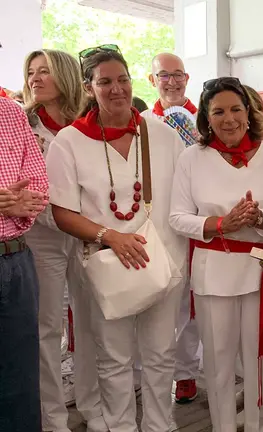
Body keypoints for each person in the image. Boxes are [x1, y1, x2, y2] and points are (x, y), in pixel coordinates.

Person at [46, 45, 187, 432]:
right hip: (108, 264)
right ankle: (121, 425)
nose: (117, 89)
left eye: (122, 79)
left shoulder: (161, 133)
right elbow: (62, 213)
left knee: (160, 354)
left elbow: (187, 194)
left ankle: (160, 424)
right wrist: (111, 237)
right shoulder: (69, 142)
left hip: (165, 261)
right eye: (105, 81)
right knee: (114, 357)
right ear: (89, 87)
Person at [169, 76, 263, 432]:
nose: (228, 118)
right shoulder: (192, 157)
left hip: (262, 270)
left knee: (258, 358)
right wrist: (221, 223)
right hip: (212, 272)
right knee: (217, 364)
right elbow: (177, 217)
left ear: (249, 113)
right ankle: (221, 426)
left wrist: (261, 216)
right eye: (218, 111)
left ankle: (258, 425)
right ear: (206, 117)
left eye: (236, 109)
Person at [22, 48, 110, 432]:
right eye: (30, 73)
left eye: (44, 72)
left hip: (86, 234)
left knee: (90, 322)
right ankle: (53, 417)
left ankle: (92, 406)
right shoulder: (22, 123)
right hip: (40, 236)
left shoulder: (86, 125)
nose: (35, 79)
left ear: (65, 76)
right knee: (47, 329)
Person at [143, 51, 202, 404]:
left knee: (192, 303)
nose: (172, 80)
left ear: (187, 78)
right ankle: (149, 370)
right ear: (152, 80)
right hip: (159, 222)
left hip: (200, 222)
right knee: (159, 296)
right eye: (163, 75)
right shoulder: (143, 121)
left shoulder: (207, 118)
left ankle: (185, 372)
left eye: (178, 73)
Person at [0, 95, 49, 432]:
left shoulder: (10, 112)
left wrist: (17, 205)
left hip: (15, 258)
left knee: (20, 380)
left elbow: (39, 188)